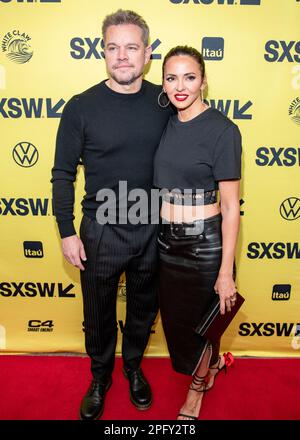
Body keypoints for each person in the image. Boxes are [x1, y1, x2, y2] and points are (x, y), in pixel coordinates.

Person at [51, 9, 172, 420]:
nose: (122, 56)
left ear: (148, 53)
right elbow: (63, 174)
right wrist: (67, 231)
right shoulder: (81, 107)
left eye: (131, 47)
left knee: (142, 308)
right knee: (97, 314)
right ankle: (100, 376)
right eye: (113, 47)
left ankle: (134, 368)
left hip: (152, 228)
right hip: (99, 230)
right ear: (103, 52)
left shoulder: (165, 102)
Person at [153, 46, 242, 420]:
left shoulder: (223, 130)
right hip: (167, 241)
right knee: (178, 323)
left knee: (207, 322)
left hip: (205, 244)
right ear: (163, 83)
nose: (180, 86)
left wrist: (225, 272)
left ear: (203, 80)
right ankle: (207, 368)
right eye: (171, 78)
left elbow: (230, 208)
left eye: (189, 77)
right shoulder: (166, 122)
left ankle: (197, 389)